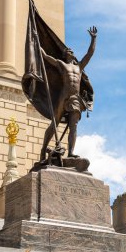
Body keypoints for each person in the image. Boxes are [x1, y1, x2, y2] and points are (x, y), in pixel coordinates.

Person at [40, 26, 97, 161]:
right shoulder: (62, 65)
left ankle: (71, 153)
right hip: (63, 96)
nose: (69, 50)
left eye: (71, 50)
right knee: (55, 122)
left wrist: (93, 39)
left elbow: (90, 54)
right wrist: (38, 45)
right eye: (67, 50)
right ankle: (43, 149)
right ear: (65, 54)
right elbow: (47, 57)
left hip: (76, 98)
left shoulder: (79, 67)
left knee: (74, 126)